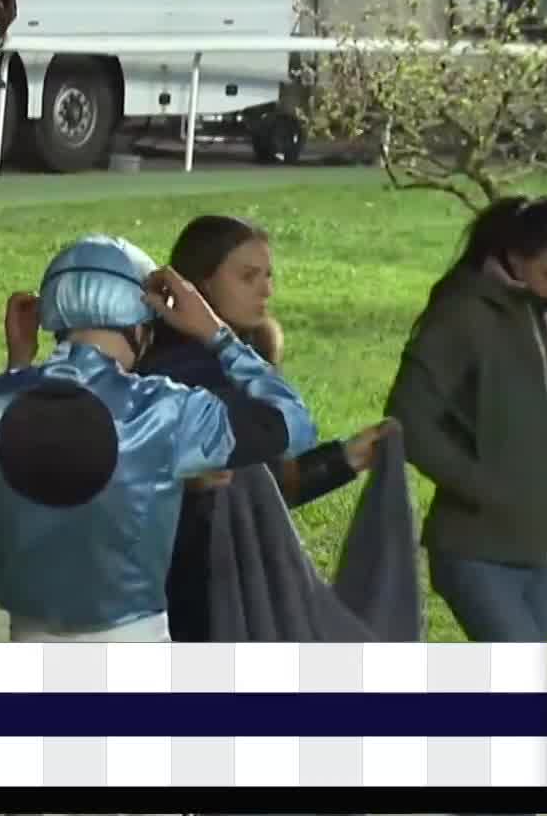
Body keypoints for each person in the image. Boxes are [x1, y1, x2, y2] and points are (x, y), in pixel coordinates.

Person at [0, 234, 321, 642]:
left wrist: (19, 365)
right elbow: (294, 424)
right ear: (141, 327)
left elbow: (33, 442)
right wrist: (215, 332)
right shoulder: (163, 410)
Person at [133, 215, 407, 642]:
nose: (267, 289)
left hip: (206, 581)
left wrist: (346, 459)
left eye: (268, 275)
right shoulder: (191, 375)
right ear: (199, 287)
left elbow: (260, 485)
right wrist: (217, 336)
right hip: (197, 590)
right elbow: (289, 429)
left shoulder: (216, 365)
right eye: (248, 276)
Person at [384, 195, 547, 643]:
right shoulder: (465, 314)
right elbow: (407, 416)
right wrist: (485, 488)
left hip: (542, 554)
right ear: (517, 257)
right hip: (474, 549)